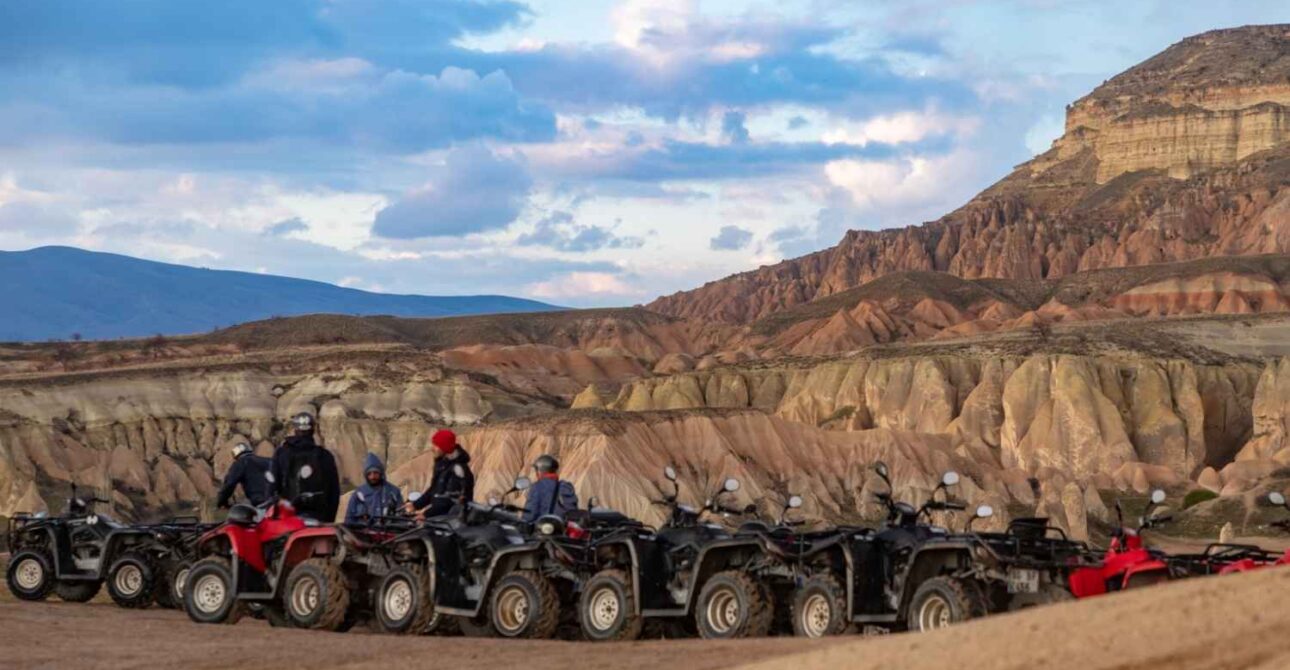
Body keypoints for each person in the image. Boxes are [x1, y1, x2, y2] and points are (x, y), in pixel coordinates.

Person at [270, 412, 340, 522]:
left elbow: (272, 485)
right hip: (318, 516)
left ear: (295, 430)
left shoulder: (282, 453)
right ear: (312, 430)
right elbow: (334, 492)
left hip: (287, 515)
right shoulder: (325, 456)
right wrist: (329, 519)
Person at [406, 429, 475, 519]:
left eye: (436, 445)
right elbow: (433, 491)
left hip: (453, 522)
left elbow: (449, 501)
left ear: (445, 448)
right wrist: (415, 505)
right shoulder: (443, 466)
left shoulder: (458, 469)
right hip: (441, 519)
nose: (432, 448)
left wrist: (426, 515)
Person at [344, 452, 403, 525]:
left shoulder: (393, 492)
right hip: (362, 534)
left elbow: (401, 518)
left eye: (375, 473)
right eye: (369, 474)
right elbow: (349, 519)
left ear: (381, 473)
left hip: (390, 533)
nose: (373, 477)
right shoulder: (358, 494)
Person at [215, 442, 274, 508]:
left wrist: (221, 501)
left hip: (261, 502)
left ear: (236, 455)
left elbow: (230, 483)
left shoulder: (241, 462)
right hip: (279, 500)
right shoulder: (268, 461)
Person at [522, 454, 577, 523]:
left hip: (543, 530)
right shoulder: (567, 486)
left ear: (540, 471)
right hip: (563, 530)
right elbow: (572, 511)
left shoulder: (536, 487)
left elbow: (529, 515)